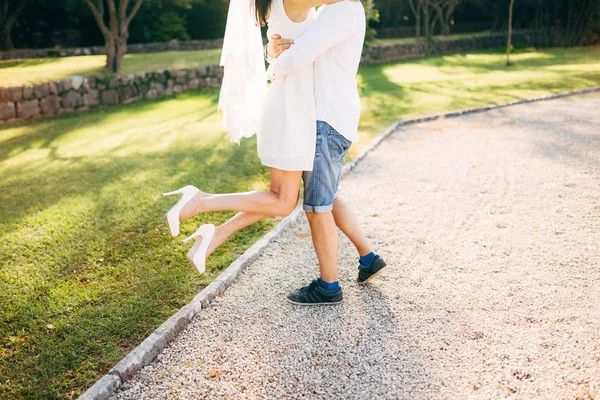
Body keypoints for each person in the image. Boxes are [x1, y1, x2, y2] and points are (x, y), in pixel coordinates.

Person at [266, 0, 387, 305]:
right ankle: (368, 258)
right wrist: (285, 47)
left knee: (316, 207)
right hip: (332, 118)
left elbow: (301, 57)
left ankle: (328, 287)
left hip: (327, 122)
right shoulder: (333, 12)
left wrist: (273, 68)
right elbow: (312, 50)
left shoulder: (342, 10)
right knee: (328, 198)